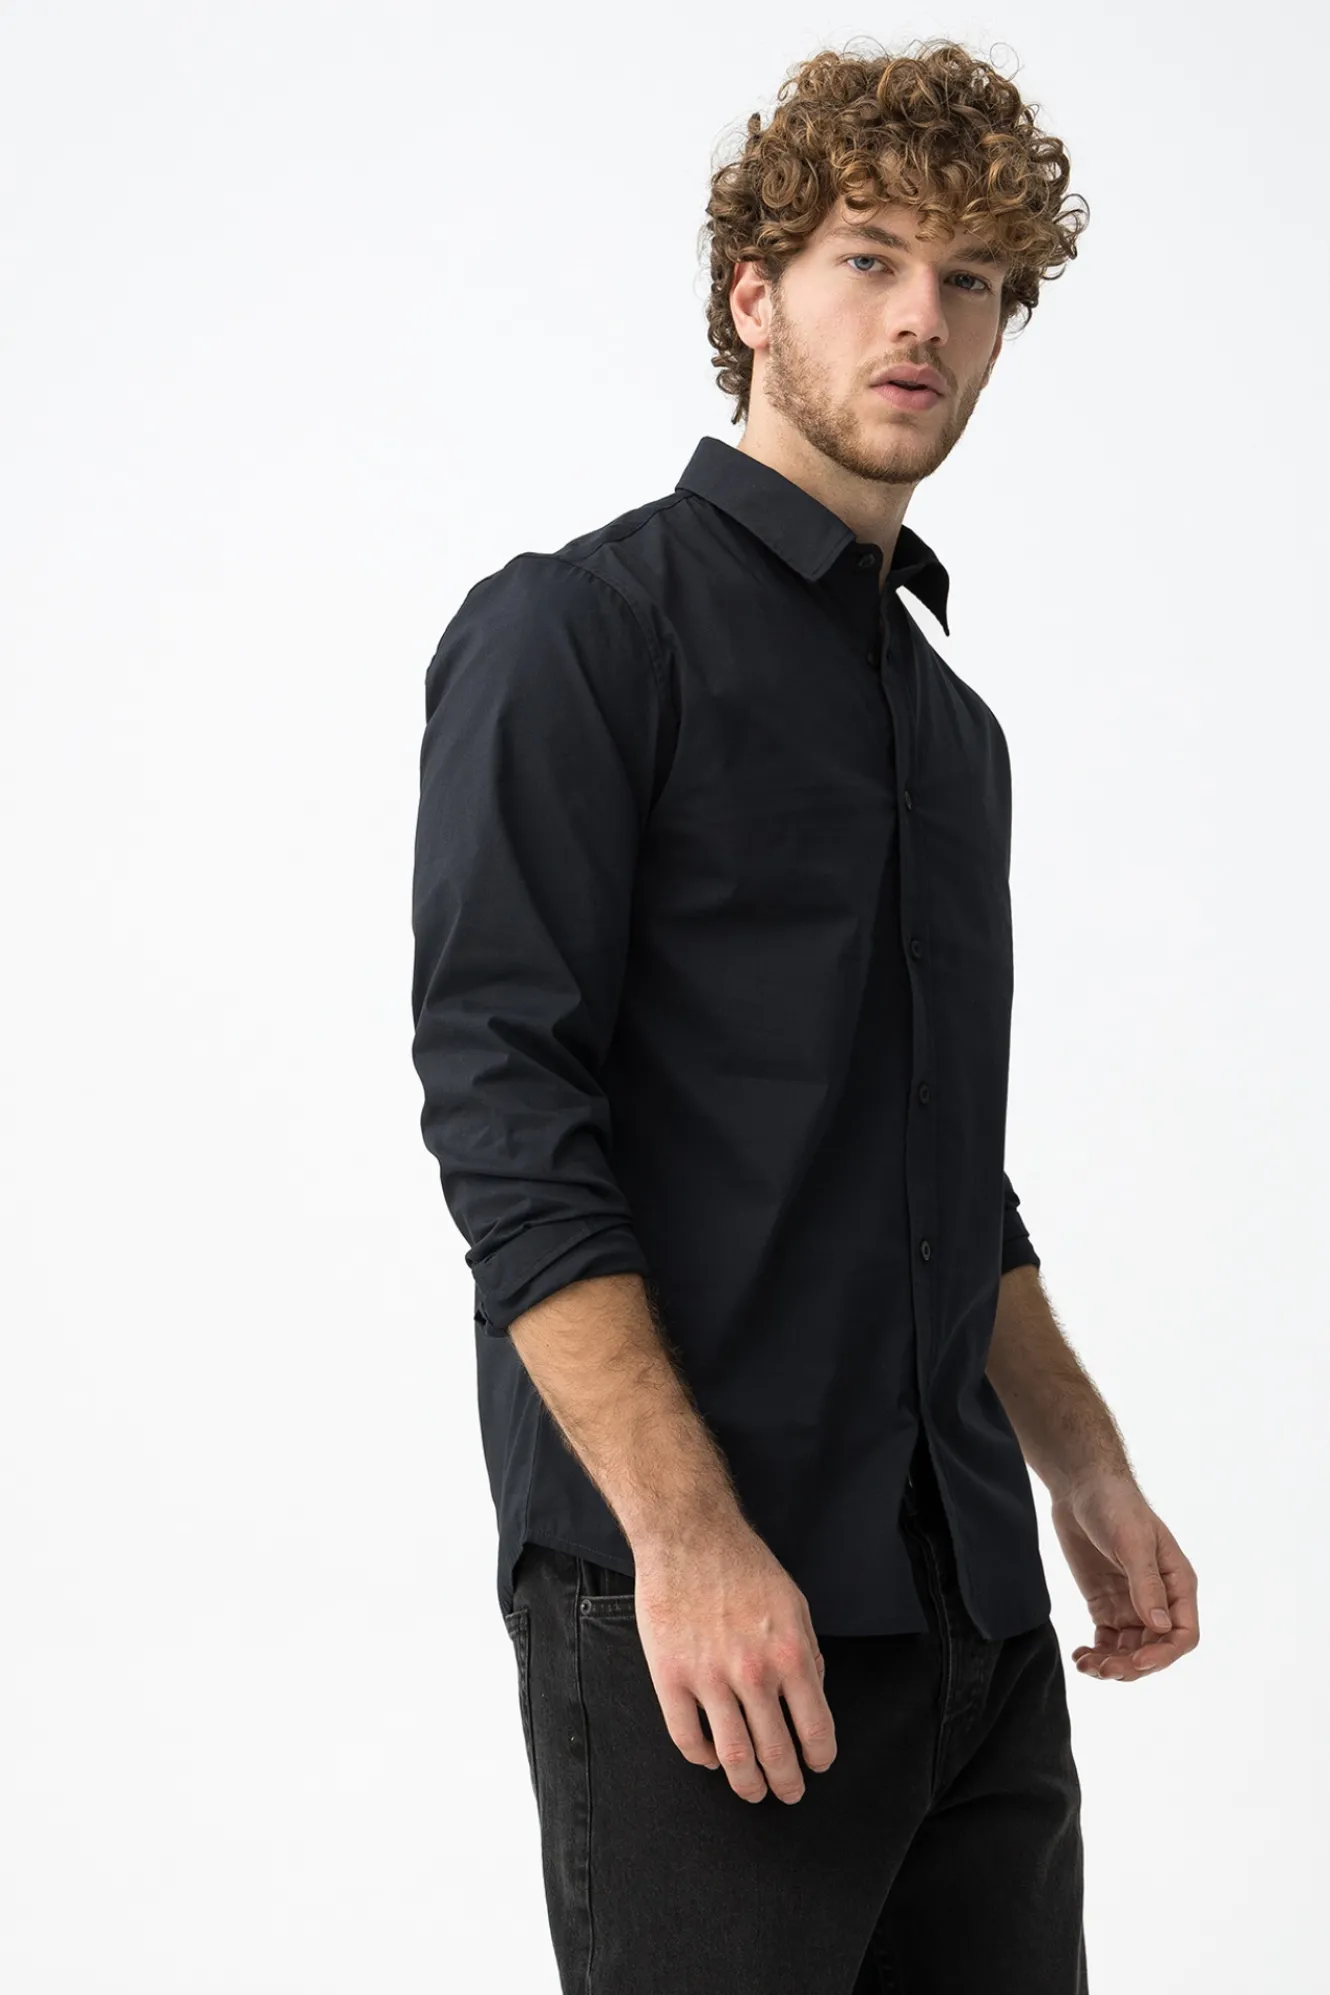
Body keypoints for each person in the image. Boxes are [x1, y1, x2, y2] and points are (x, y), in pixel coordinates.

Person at [410, 37, 1199, 1994]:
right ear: (751, 293)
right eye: (869, 258)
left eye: (972, 281)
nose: (921, 317)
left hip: (969, 1619)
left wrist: (1082, 1468)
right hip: (707, 1612)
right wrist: (681, 1538)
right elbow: (508, 1119)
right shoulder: (579, 636)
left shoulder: (950, 731)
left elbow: (943, 1177)